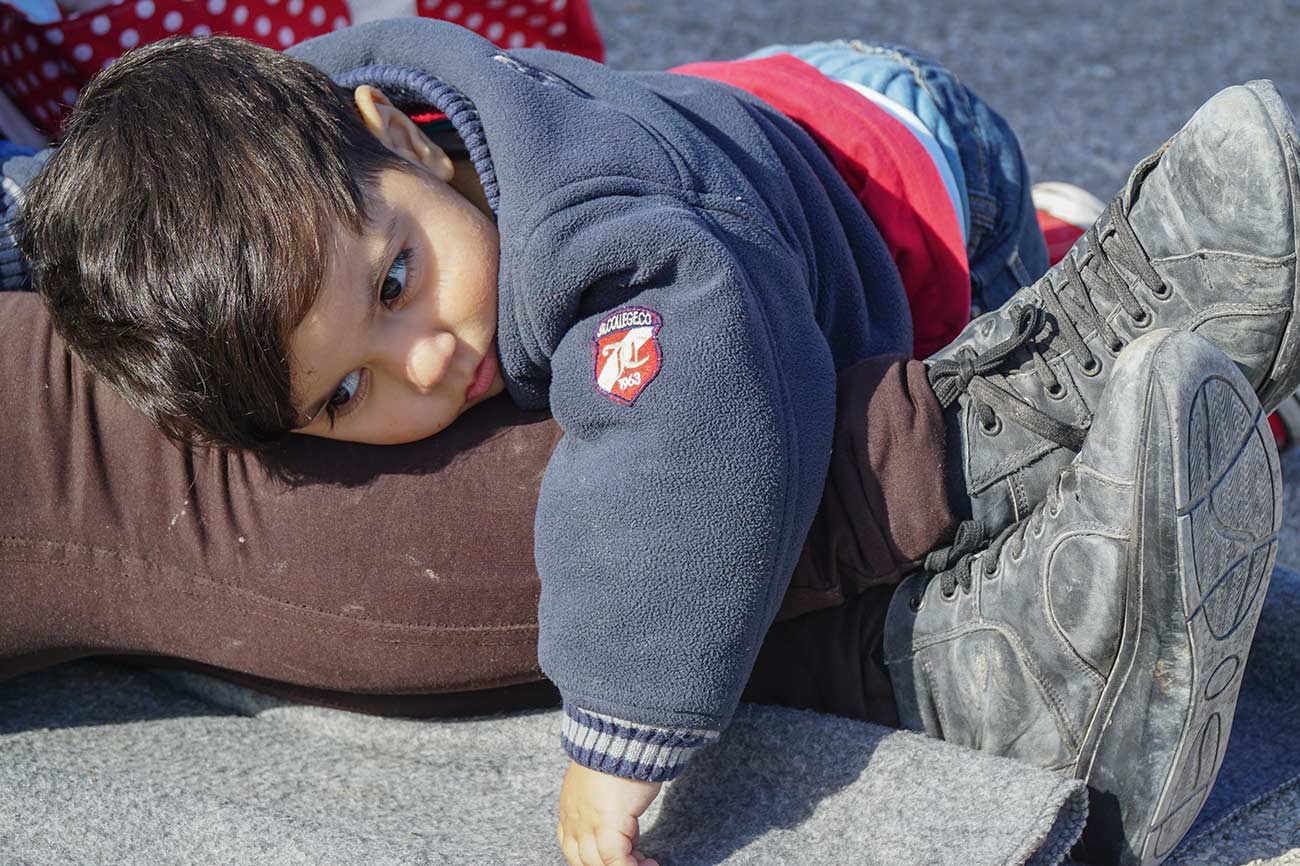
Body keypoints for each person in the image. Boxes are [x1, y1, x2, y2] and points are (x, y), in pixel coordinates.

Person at [9, 20, 1297, 865]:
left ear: (400, 136)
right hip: (747, 116)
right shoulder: (337, 189)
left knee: (955, 337)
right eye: (346, 393)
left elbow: (683, 452)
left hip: (899, 174)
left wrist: (620, 727)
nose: (425, 361)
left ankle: (1105, 289)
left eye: (397, 283)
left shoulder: (609, 241)